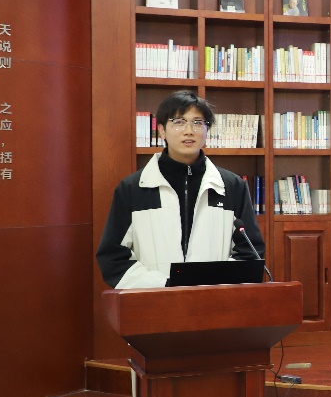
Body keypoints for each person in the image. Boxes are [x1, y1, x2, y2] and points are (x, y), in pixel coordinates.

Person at [97, 90, 264, 289]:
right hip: (154, 300)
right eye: (179, 122)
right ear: (161, 130)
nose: (189, 130)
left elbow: (250, 253)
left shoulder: (232, 186)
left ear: (207, 130)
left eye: (197, 123)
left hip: (214, 301)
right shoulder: (133, 188)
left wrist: (209, 285)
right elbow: (113, 257)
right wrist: (165, 285)